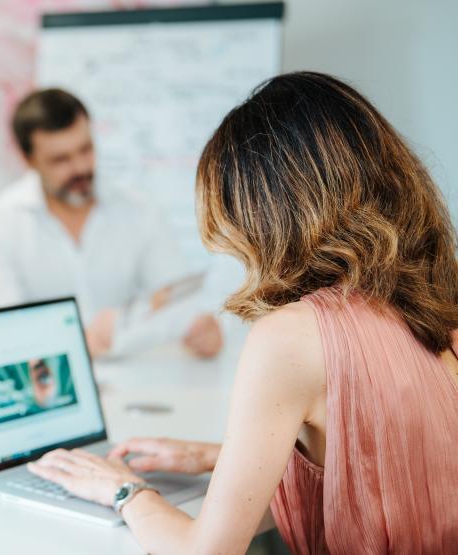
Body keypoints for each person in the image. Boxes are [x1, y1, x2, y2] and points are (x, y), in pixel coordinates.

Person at [28, 72, 458, 553]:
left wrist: (122, 490)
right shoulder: (438, 304)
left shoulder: (292, 337)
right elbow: (388, 468)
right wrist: (216, 457)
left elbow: (205, 551)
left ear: (263, 216)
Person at [0, 88, 222, 359]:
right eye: (60, 160)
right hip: (50, 384)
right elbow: (0, 332)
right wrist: (74, 342)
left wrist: (202, 328)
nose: (79, 168)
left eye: (85, 149)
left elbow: (177, 299)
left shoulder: (139, 210)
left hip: (134, 383)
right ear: (28, 160)